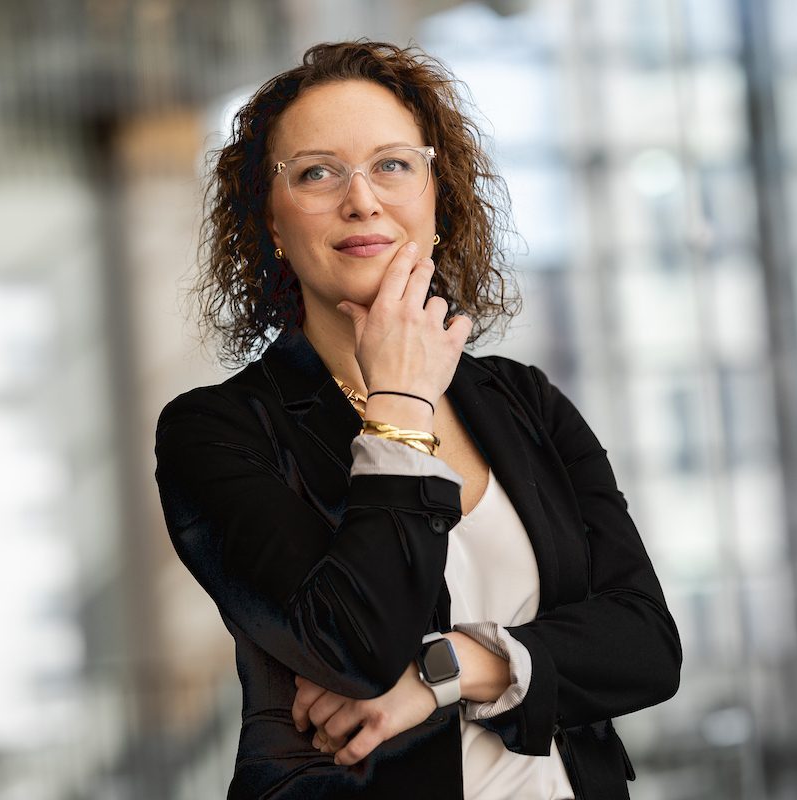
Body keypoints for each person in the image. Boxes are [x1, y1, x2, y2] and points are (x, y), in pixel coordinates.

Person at [154, 40, 681, 800]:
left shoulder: (523, 402)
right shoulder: (216, 431)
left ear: (436, 200)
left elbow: (646, 645)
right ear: (271, 223)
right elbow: (352, 646)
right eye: (316, 172)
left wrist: (448, 671)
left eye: (393, 165)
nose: (362, 199)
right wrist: (398, 404)